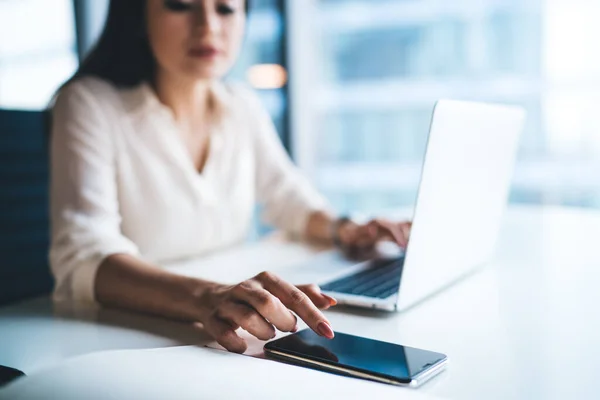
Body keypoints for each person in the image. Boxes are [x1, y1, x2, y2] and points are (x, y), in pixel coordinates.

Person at [50, 0, 411, 353]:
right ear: (138, 15)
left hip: (219, 337)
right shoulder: (88, 103)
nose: (208, 27)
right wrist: (209, 296)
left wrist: (347, 229)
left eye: (225, 8)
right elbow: (85, 255)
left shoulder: (241, 105)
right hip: (125, 340)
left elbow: (291, 200)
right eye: (180, 5)